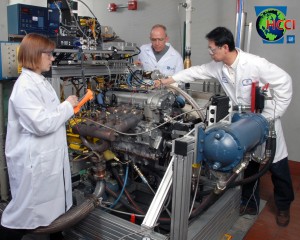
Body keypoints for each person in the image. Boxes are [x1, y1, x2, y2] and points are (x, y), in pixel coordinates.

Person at [154, 26, 294, 227]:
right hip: (242, 123)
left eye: (212, 49)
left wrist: (270, 115)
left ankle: (283, 206)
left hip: (264, 121)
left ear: (225, 47)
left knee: (277, 165)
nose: (211, 53)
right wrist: (168, 80)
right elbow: (196, 72)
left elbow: (285, 82)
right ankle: (250, 203)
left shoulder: (255, 64)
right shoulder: (218, 66)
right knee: (249, 166)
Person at [0, 33, 79, 239]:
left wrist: (66, 107)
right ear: (36, 55)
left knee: (53, 209)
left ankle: (57, 236)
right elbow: (41, 124)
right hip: (34, 161)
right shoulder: (25, 86)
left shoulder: (40, 81)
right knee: (22, 215)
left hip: (47, 157)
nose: (52, 59)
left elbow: (50, 115)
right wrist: (67, 106)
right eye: (49, 54)